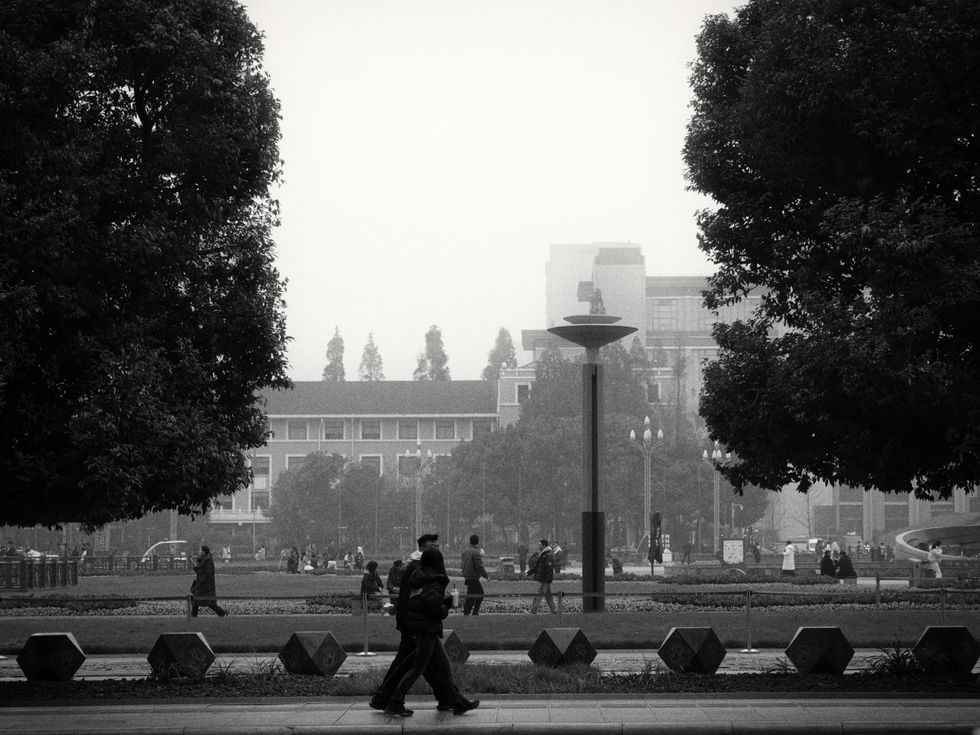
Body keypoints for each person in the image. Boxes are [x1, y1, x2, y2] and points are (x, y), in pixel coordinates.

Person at [370, 534, 476, 715]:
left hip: (413, 623)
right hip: (418, 625)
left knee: (434, 665)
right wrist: (447, 603)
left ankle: (450, 700)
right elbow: (428, 603)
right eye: (433, 546)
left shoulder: (416, 568)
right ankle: (388, 699)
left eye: (437, 546)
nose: (437, 549)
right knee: (412, 665)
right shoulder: (421, 569)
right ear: (424, 548)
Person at [191, 545, 228, 617]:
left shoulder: (207, 560)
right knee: (197, 601)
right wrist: (196, 568)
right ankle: (193, 616)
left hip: (205, 585)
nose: (199, 552)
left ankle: (222, 613)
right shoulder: (204, 559)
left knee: (207, 602)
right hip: (202, 584)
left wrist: (201, 579)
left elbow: (208, 573)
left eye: (200, 550)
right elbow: (201, 571)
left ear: (204, 552)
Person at [460, 534, 489, 616]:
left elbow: (462, 565)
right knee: (477, 595)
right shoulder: (476, 552)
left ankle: (469, 613)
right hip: (473, 577)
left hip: (467, 576)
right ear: (477, 542)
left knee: (472, 595)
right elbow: (479, 566)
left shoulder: (465, 552)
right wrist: (486, 576)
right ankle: (472, 613)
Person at [528, 538, 556, 614]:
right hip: (545, 579)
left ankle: (533, 610)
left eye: (539, 544)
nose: (538, 545)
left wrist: (547, 579)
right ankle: (554, 610)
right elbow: (537, 566)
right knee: (548, 596)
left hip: (545, 579)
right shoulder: (543, 554)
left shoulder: (547, 555)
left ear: (544, 545)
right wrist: (529, 573)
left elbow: (549, 569)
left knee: (539, 594)